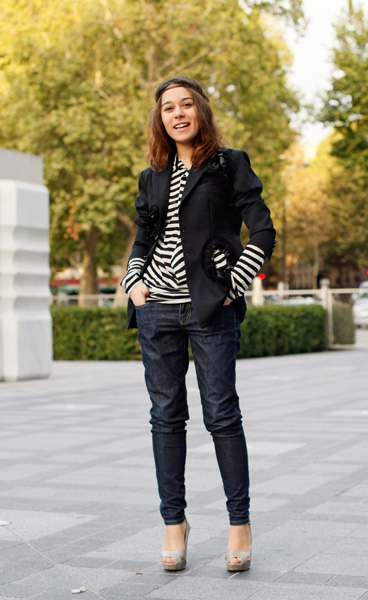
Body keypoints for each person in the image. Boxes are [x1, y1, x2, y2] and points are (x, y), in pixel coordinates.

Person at [121, 75, 275, 572]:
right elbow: (144, 237)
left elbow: (263, 229)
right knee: (165, 417)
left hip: (211, 308)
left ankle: (239, 523)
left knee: (222, 415)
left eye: (186, 104)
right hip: (156, 309)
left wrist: (234, 284)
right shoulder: (152, 175)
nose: (178, 114)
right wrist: (133, 280)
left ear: (201, 111)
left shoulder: (229, 164)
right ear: (160, 118)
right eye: (168, 108)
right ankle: (174, 522)